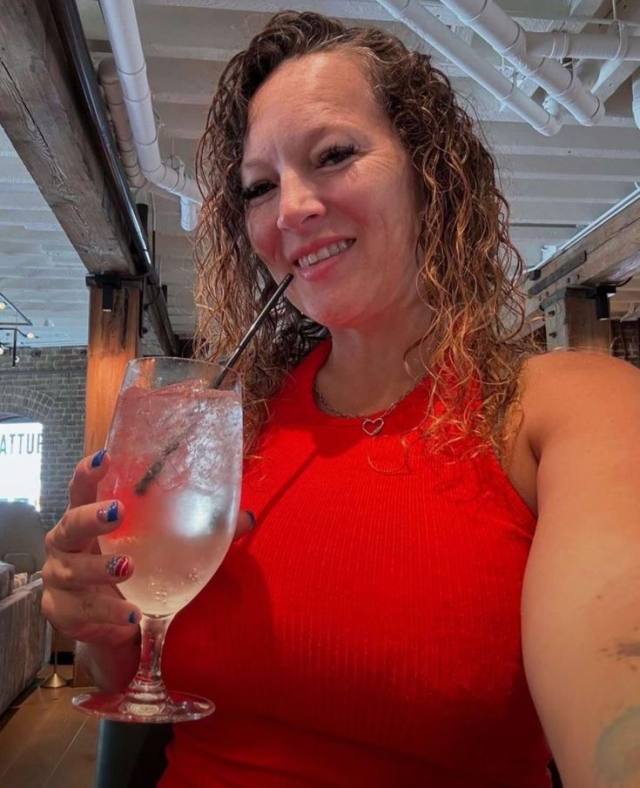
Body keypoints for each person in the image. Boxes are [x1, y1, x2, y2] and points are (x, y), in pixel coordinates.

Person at [42, 11, 640, 788]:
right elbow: (130, 692)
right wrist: (104, 622)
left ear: (429, 172)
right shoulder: (224, 431)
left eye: (333, 155)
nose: (290, 208)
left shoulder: (572, 410)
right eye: (260, 187)